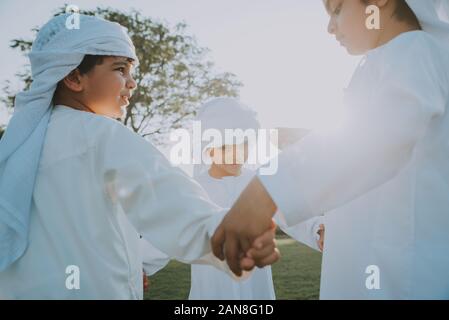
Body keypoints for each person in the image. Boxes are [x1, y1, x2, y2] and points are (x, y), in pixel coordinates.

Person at [0, 14, 278, 299]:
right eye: (120, 69)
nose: (132, 83)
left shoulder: (20, 153)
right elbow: (170, 199)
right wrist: (234, 235)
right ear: (73, 77)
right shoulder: (101, 135)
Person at [212, 0, 449, 299]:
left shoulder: (416, 50)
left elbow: (378, 137)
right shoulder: (383, 63)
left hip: (401, 282)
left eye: (336, 9)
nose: (329, 27)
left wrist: (266, 191)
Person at [189, 98, 324, 300]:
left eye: (243, 144)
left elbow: (288, 210)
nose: (237, 153)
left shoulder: (260, 181)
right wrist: (144, 265)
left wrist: (317, 229)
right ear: (208, 148)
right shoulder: (194, 187)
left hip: (254, 283)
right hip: (211, 283)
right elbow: (169, 225)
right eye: (226, 146)